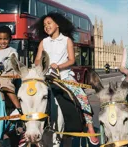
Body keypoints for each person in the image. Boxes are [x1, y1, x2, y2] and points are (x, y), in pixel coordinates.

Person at [33, 12, 99, 145]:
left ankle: (90, 126)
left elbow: (72, 60)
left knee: (82, 97)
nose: (46, 26)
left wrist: (59, 66)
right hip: (46, 77)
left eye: (49, 23)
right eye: (45, 25)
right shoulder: (43, 42)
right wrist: (42, 64)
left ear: (57, 24)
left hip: (64, 76)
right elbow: (36, 60)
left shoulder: (67, 40)